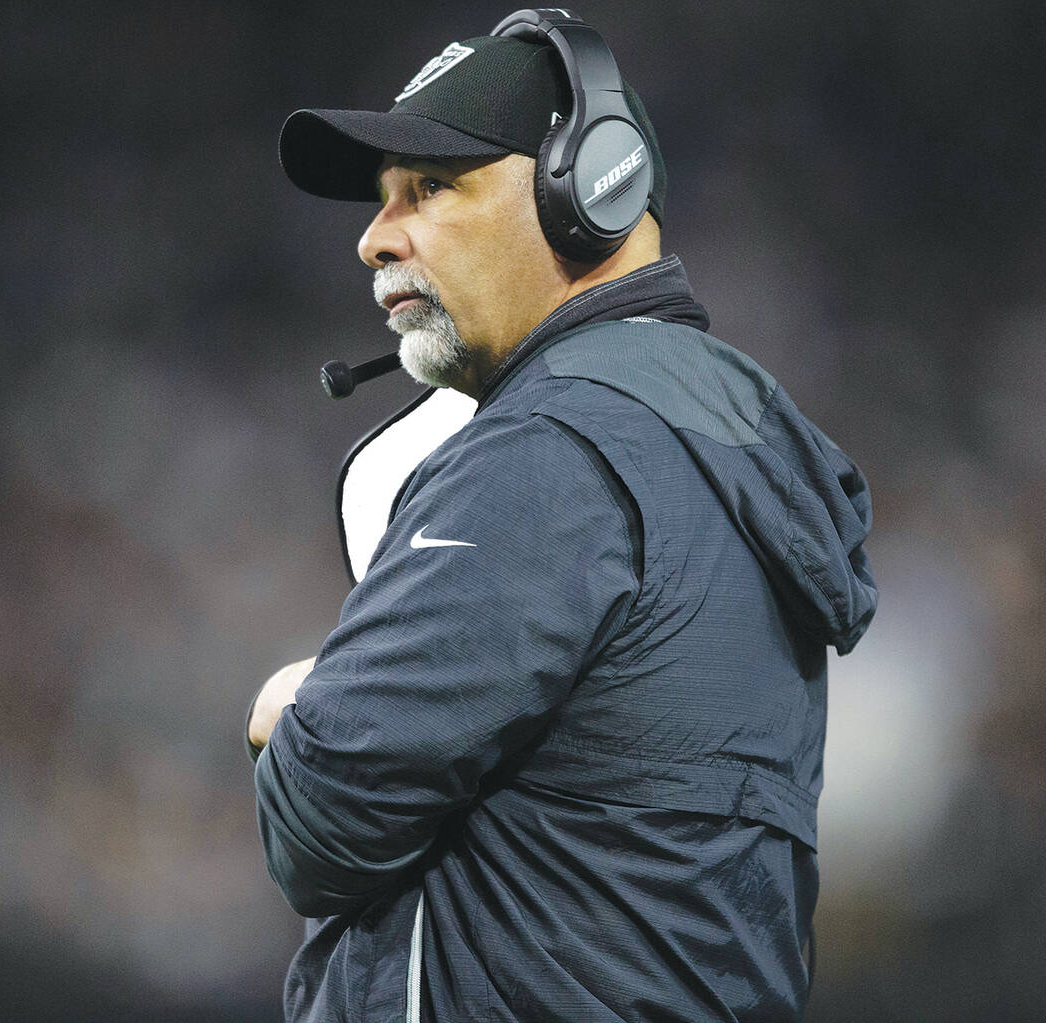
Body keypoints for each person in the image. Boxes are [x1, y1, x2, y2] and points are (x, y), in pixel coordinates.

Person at [248, 10, 877, 1022]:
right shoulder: (717, 438)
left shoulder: (552, 449)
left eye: (429, 188)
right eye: (381, 201)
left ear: (593, 189)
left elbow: (323, 827)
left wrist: (284, 711)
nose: (374, 239)